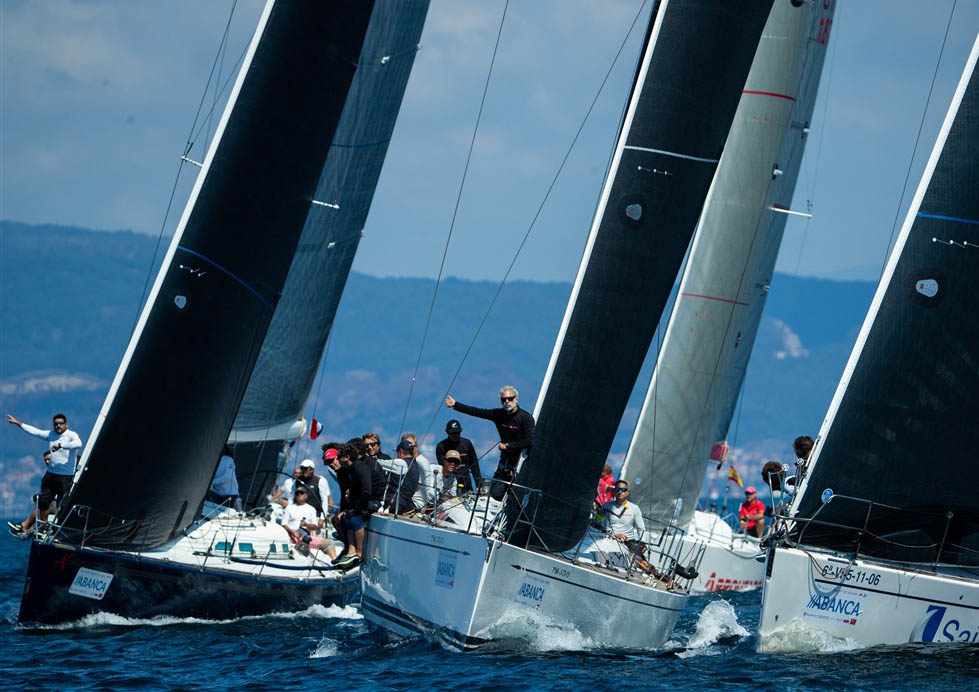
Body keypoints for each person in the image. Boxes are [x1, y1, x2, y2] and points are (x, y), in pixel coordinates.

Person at [444, 385, 534, 500]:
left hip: (522, 461)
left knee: (517, 496)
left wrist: (508, 446)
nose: (507, 401)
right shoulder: (499, 415)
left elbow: (529, 441)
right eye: (503, 399)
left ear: (516, 399)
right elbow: (477, 412)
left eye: (510, 398)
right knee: (495, 493)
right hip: (505, 461)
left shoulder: (525, 418)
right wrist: (455, 405)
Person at [7, 413, 83, 536]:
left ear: (66, 425)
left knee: (63, 504)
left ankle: (62, 529)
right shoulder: (51, 434)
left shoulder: (71, 435)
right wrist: (18, 423)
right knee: (43, 501)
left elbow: (78, 444)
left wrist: (61, 445)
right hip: (50, 475)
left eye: (60, 423)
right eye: (56, 424)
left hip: (65, 477)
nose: (58, 426)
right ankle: (43, 526)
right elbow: (35, 432)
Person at [333, 441, 374, 569]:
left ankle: (359, 553)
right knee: (346, 517)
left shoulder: (359, 467)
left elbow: (367, 491)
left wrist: (357, 509)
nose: (338, 460)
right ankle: (350, 550)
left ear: (346, 458)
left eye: (340, 457)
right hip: (361, 500)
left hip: (373, 500)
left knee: (355, 518)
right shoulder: (350, 469)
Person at [279, 486, 335, 559]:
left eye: (301, 493)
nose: (299, 494)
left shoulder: (311, 509)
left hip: (305, 538)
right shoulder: (289, 508)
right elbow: (283, 524)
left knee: (329, 542)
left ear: (306, 496)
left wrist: (306, 524)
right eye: (297, 493)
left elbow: (314, 526)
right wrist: (292, 532)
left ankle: (334, 563)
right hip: (290, 536)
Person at [602, 481, 646, 555]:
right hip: (608, 541)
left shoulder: (635, 508)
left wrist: (643, 543)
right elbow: (598, 524)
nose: (619, 492)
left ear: (627, 492)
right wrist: (615, 535)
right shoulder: (606, 506)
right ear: (614, 491)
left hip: (628, 545)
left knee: (645, 565)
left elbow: (641, 529)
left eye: (623, 490)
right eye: (617, 489)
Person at [435, 419, 482, 489]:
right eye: (453, 433)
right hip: (449, 484)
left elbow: (474, 464)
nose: (456, 435)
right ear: (447, 432)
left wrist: (479, 484)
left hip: (466, 484)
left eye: (458, 432)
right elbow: (442, 466)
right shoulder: (441, 446)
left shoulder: (467, 443)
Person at [383, 439, 420, 513]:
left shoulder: (400, 463)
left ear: (401, 452)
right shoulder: (416, 465)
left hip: (393, 503)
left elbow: (380, 464)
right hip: (406, 504)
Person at [402, 433, 437, 510]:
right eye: (406, 446)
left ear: (417, 447)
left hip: (415, 502)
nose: (410, 449)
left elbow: (413, 486)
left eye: (412, 446)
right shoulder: (407, 461)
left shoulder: (421, 462)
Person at [208, 445, 242, 511]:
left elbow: (227, 477)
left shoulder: (228, 460)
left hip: (232, 496)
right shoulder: (212, 461)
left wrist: (210, 482)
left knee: (236, 518)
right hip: (217, 495)